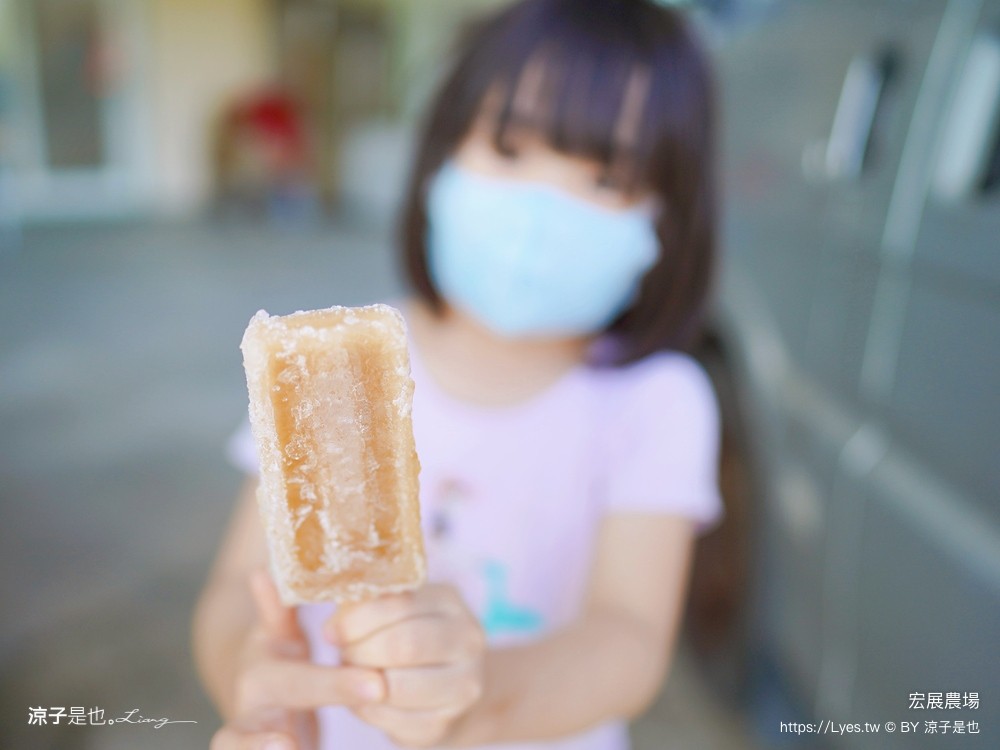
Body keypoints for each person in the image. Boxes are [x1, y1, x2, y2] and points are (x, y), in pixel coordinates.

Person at [193, 0, 722, 748]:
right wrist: (247, 679)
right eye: (509, 151)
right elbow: (235, 588)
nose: (543, 207)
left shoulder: (659, 402)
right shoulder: (336, 370)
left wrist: (477, 700)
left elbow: (629, 636)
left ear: (672, 220)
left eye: (606, 180)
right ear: (441, 153)